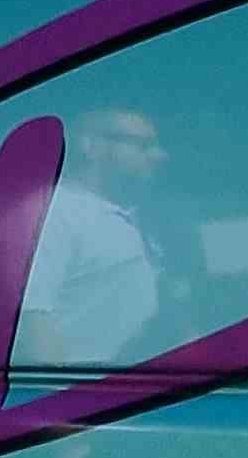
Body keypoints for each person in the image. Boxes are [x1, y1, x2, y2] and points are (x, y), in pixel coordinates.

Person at [19, 108, 163, 365]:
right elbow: (32, 320)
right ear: (90, 145)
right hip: (87, 393)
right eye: (143, 145)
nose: (159, 156)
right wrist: (64, 396)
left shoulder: (139, 216)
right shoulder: (53, 213)